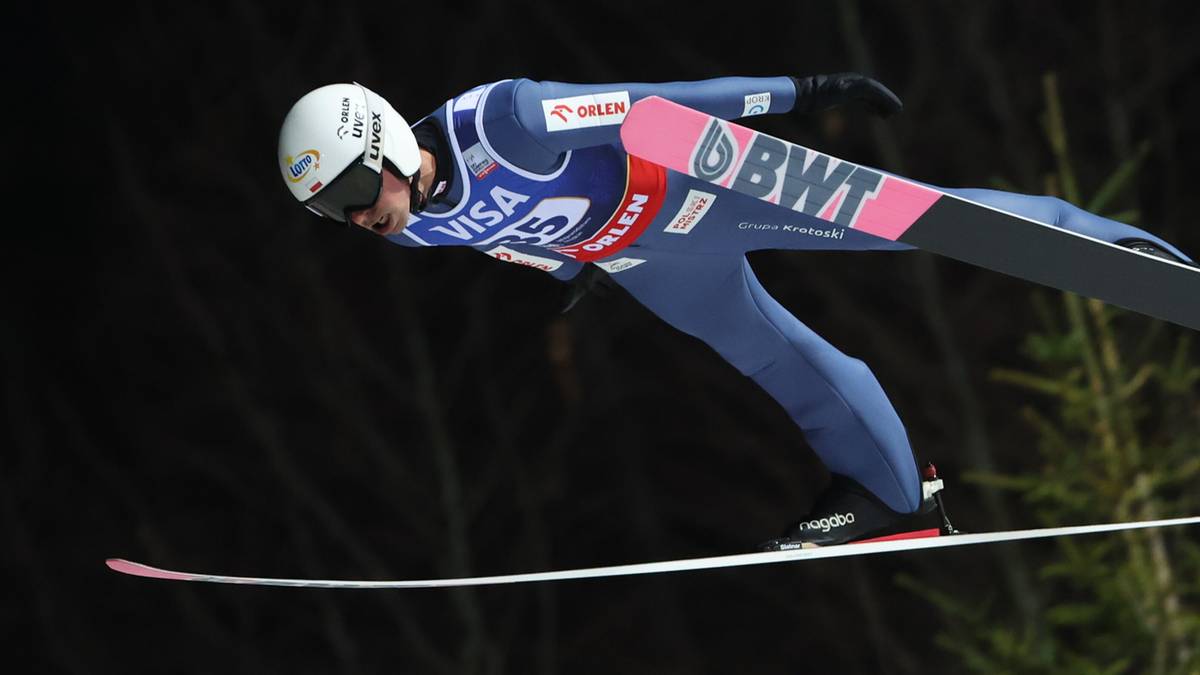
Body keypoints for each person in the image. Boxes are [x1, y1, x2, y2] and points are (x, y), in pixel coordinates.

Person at [277, 74, 1192, 549]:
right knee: (772, 354)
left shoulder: (506, 121)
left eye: (356, 190)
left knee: (916, 219)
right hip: (640, 251)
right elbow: (506, 234)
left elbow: (654, 108)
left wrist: (804, 92)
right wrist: (574, 267)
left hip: (694, 185)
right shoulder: (405, 230)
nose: (357, 216)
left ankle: (1124, 253)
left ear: (387, 142)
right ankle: (893, 493)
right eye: (332, 213)